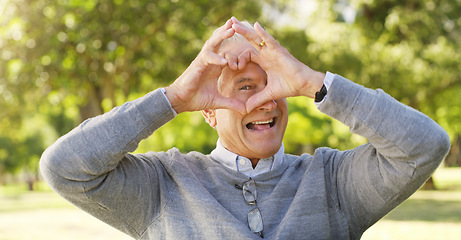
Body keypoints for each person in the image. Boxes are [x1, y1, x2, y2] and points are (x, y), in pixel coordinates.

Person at [40, 17, 450, 240]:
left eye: (274, 85)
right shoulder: (163, 186)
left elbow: (426, 145)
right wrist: (172, 99)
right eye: (245, 88)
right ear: (208, 112)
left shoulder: (332, 182)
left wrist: (313, 83)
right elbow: (64, 168)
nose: (265, 100)